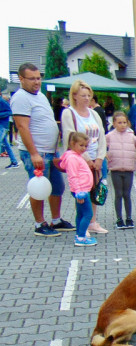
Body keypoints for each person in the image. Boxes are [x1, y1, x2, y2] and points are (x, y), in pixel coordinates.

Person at [11, 63, 75, 237]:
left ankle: (56, 221)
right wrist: (33, 154)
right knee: (39, 188)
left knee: (57, 187)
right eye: (32, 78)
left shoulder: (40, 96)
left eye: (39, 77)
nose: (37, 81)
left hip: (51, 152)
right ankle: (40, 224)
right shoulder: (21, 97)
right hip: (37, 153)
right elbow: (22, 127)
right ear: (21, 79)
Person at [61, 80, 109, 235]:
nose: (87, 98)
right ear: (74, 96)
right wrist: (87, 159)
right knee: (82, 192)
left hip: (97, 158)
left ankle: (93, 222)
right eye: (83, 95)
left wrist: (100, 157)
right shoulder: (69, 113)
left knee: (95, 190)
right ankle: (83, 223)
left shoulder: (94, 113)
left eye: (89, 95)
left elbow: (102, 135)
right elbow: (71, 137)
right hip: (80, 159)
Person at [59, 132, 98, 247]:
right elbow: (73, 176)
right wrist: (79, 192)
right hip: (81, 191)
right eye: (81, 145)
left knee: (80, 213)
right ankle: (81, 237)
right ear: (72, 143)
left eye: (86, 146)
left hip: (82, 190)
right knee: (88, 214)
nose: (84, 148)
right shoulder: (72, 158)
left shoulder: (75, 156)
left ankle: (79, 235)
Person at [105, 111, 136, 229]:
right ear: (114, 123)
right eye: (119, 122)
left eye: (124, 122)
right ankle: (119, 218)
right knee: (118, 194)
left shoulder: (131, 136)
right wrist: (106, 155)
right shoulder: (110, 136)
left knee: (127, 194)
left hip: (128, 169)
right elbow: (100, 146)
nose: (122, 125)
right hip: (115, 169)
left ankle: (129, 218)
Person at [0, 95, 19, 168]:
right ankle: (14, 162)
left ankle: (14, 162)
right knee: (6, 145)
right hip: (2, 125)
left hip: (3, 126)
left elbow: (10, 111)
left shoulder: (2, 101)